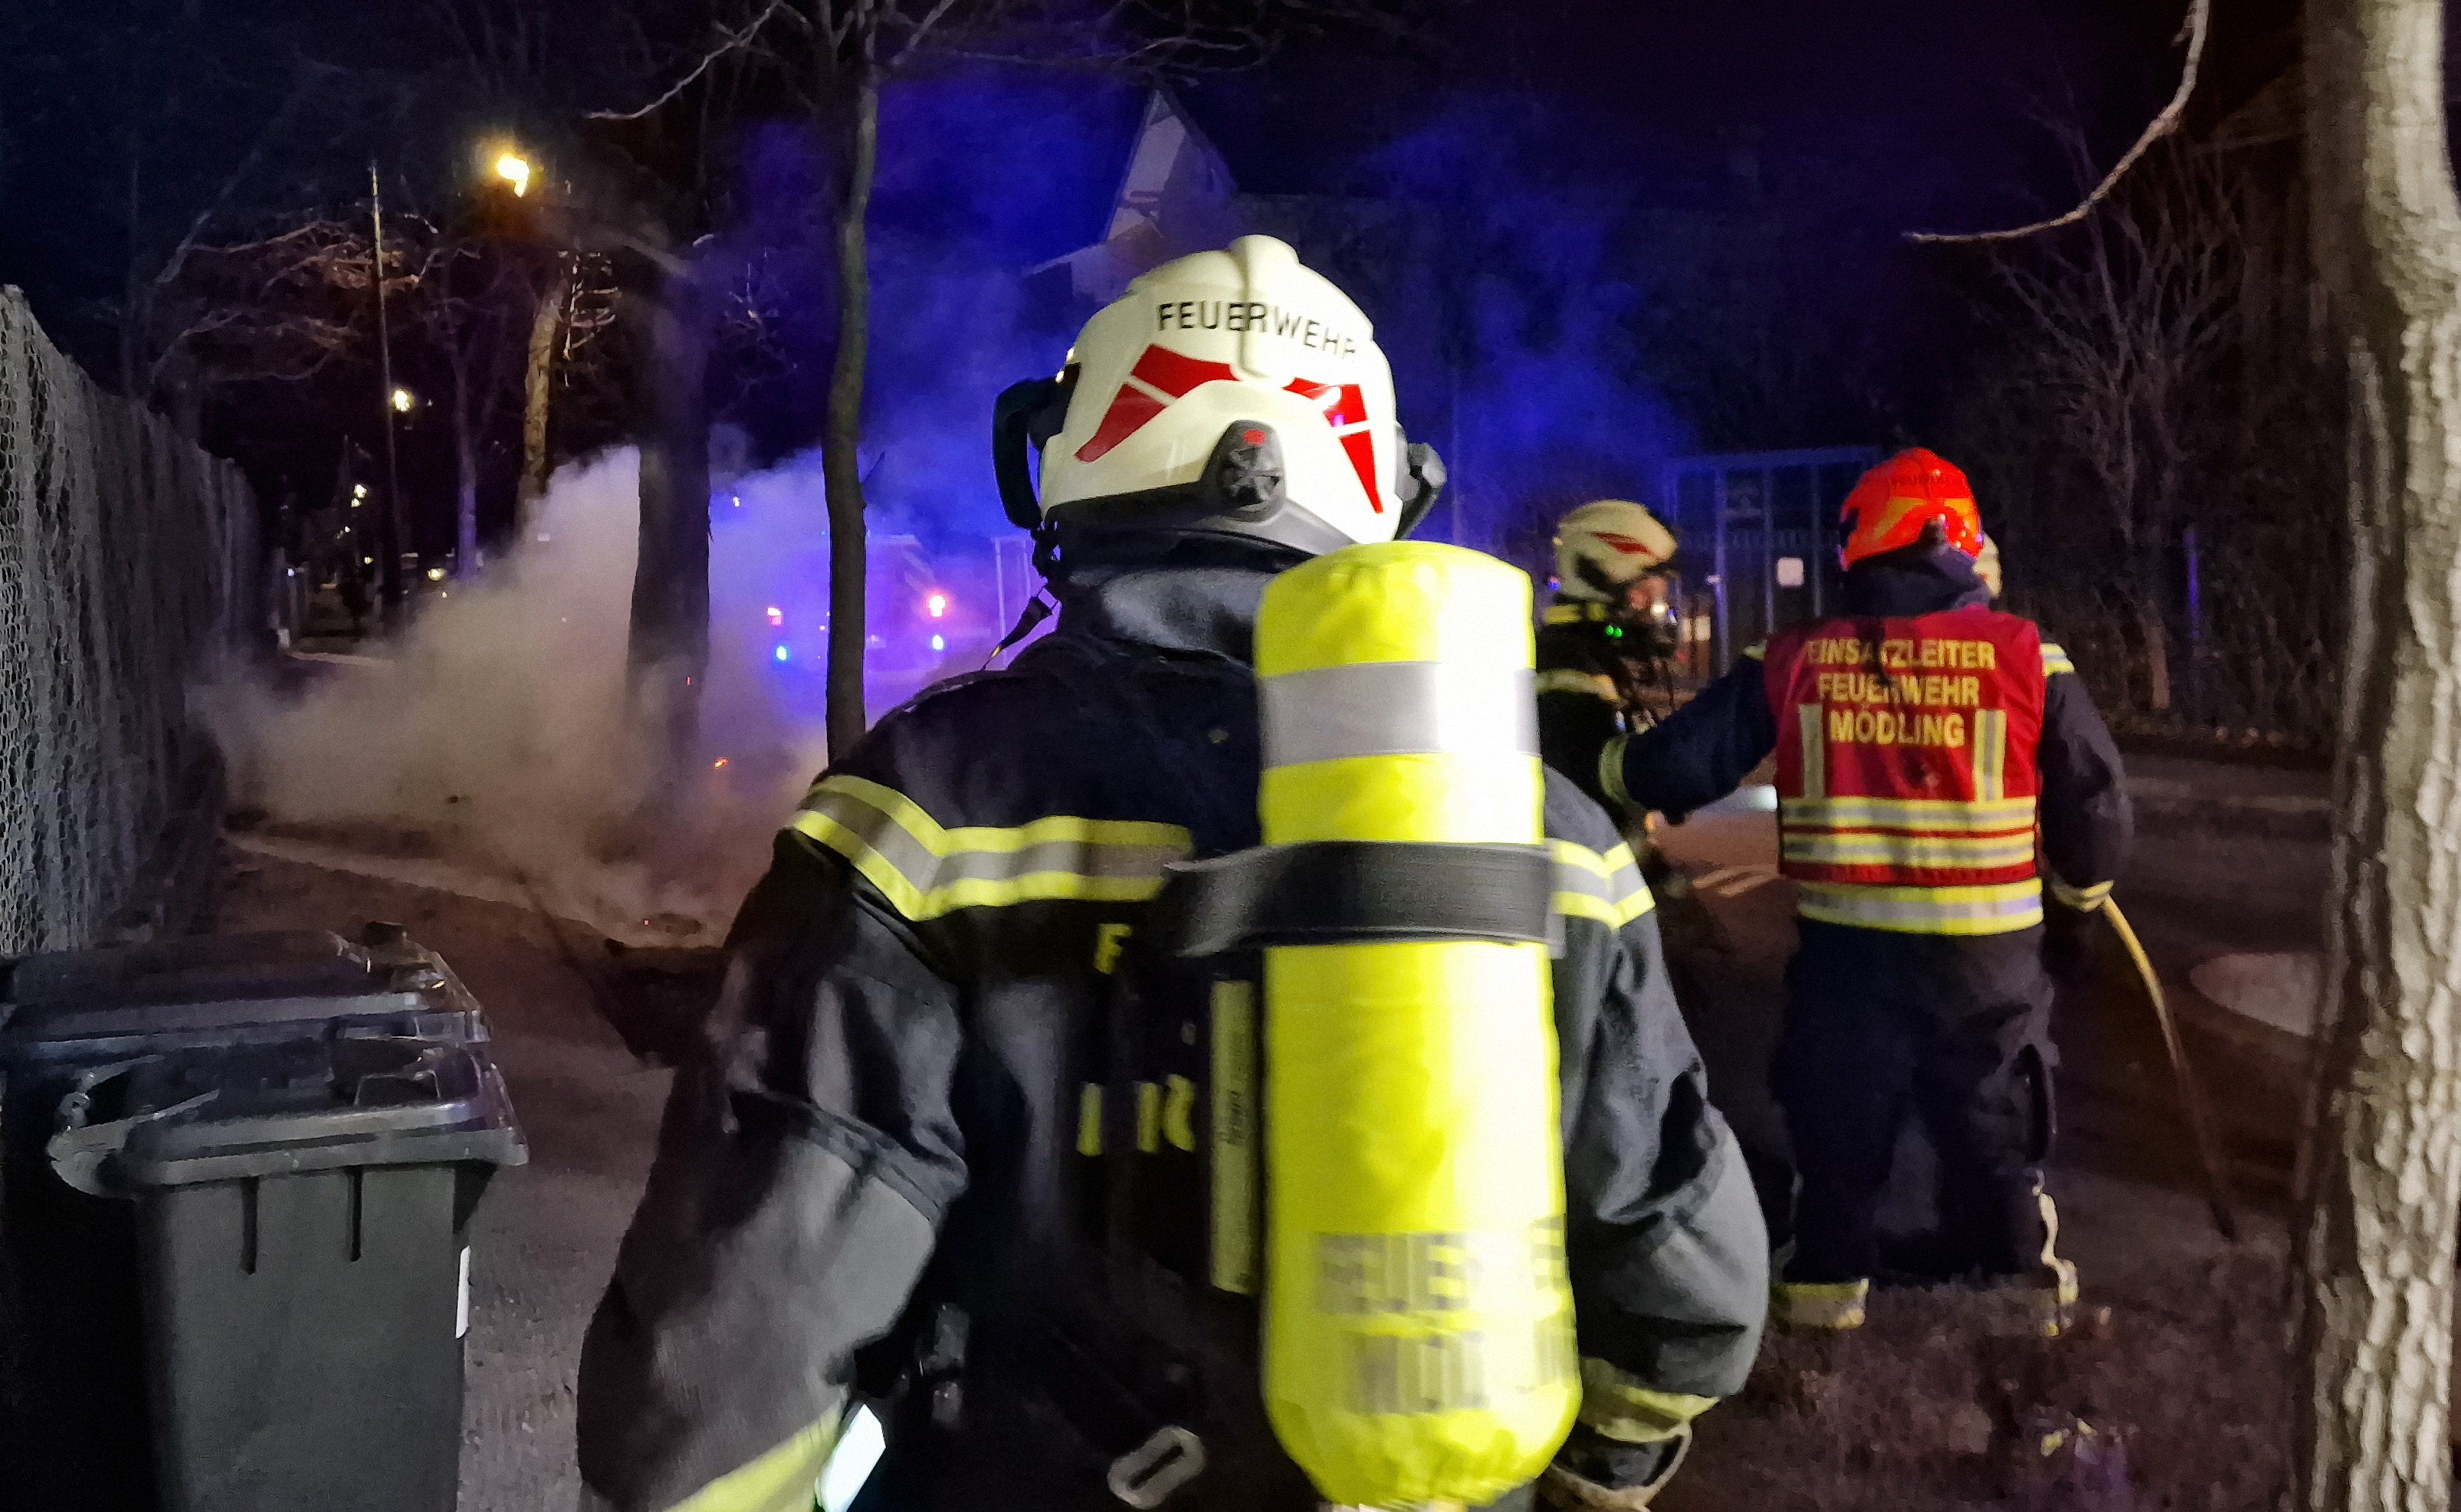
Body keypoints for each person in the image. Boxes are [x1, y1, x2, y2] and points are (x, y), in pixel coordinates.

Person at [575, 237, 1765, 1512]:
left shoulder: (927, 808)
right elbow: (1691, 1291)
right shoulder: (1547, 833)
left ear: (1071, 461)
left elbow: (728, 1357)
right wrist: (1593, 1474)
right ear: (1383, 495)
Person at [1590, 448, 2131, 1336]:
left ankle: (1823, 1324)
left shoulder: (1797, 655)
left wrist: (1592, 758)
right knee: (1996, 1136)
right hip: (1989, 968)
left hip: (1848, 963)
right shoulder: (2027, 654)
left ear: (1862, 545)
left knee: (1837, 1141)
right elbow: (2097, 808)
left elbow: (1673, 767)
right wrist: (2075, 914)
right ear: (1956, 540)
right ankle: (2019, 1317)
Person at [1535, 500, 1682, 817]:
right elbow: (1590, 782)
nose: (1654, 609)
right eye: (1643, 594)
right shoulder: (1568, 665)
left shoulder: (1592, 655)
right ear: (1596, 578)